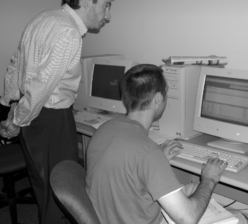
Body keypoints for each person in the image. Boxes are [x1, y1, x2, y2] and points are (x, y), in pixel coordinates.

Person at [0, 0, 114, 223]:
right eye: (107, 5)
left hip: (33, 119)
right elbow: (41, 87)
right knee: (61, 194)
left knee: (43, 188)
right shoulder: (69, 32)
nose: (108, 15)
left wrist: (12, 104)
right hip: (50, 119)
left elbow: (16, 63)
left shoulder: (42, 18)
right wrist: (16, 119)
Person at [86, 64, 228, 224]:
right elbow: (188, 219)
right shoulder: (148, 153)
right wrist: (209, 179)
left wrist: (157, 157)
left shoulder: (104, 129)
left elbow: (124, 172)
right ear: (158, 98)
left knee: (190, 190)